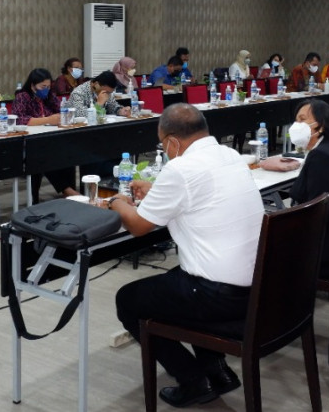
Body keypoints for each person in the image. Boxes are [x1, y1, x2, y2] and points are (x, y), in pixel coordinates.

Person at [105, 104, 264, 407]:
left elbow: (138, 226)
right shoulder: (230, 155)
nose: (164, 150)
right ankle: (217, 371)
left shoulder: (180, 169)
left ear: (173, 142)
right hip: (254, 286)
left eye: (162, 144)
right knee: (176, 281)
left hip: (218, 295)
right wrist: (157, 189)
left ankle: (193, 380)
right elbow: (197, 195)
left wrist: (115, 202)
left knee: (128, 300)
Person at [284, 100, 329, 279]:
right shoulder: (328, 149)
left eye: (302, 120)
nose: (296, 126)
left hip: (328, 247)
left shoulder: (322, 157)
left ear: (321, 126)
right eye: (296, 120)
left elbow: (314, 210)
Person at [13, 68, 80, 200]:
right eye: (43, 87)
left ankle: (69, 190)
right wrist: (48, 120)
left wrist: (62, 115)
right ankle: (67, 190)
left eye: (48, 87)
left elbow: (62, 109)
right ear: (32, 85)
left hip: (50, 139)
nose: (46, 90)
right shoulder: (22, 97)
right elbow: (19, 120)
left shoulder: (49, 96)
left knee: (69, 152)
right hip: (29, 143)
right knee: (44, 156)